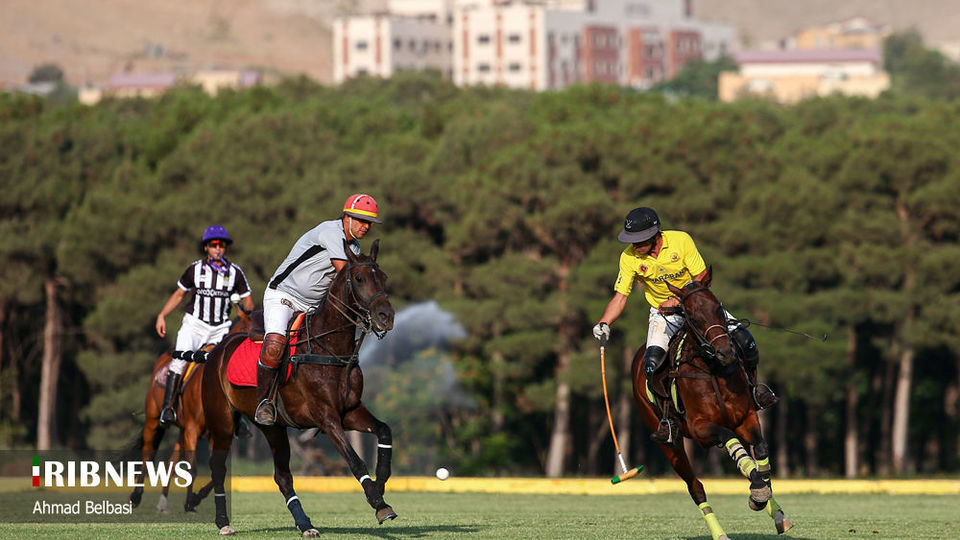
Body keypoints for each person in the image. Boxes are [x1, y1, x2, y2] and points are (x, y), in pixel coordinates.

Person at [592, 207, 778, 444]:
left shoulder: (681, 241)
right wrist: (604, 322)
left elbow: (701, 276)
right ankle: (669, 420)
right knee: (651, 364)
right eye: (632, 240)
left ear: (654, 235)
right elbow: (620, 297)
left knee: (745, 340)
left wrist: (678, 298)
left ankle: (754, 390)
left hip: (697, 305)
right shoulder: (629, 258)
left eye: (639, 240)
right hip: (664, 315)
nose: (634, 245)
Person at [254, 193, 383, 425]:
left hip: (313, 305)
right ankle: (264, 402)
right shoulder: (330, 232)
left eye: (370, 223)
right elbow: (346, 277)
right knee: (275, 345)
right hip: (284, 295)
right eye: (362, 220)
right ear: (347, 217)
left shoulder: (354, 247)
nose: (366, 227)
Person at [156, 225, 255, 425]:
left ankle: (237, 418)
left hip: (220, 329)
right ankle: (169, 408)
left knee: (229, 368)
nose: (218, 248)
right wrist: (162, 315)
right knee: (179, 361)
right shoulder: (195, 269)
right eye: (213, 244)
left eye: (221, 245)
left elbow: (249, 301)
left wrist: (244, 310)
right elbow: (179, 294)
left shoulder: (235, 272)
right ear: (206, 247)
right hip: (194, 325)